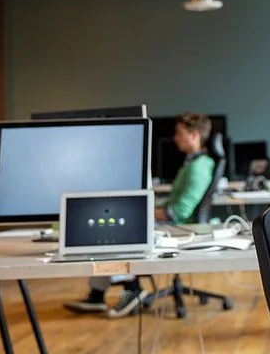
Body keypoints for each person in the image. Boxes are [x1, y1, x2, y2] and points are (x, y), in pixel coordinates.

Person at [64, 112, 216, 318]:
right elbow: (173, 202)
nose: (175, 138)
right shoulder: (193, 163)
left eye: (179, 133)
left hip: (181, 229)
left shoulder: (198, 168)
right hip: (176, 224)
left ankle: (131, 288)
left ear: (194, 135)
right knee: (110, 227)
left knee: (118, 232)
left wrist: (139, 211)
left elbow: (179, 212)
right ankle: (98, 294)